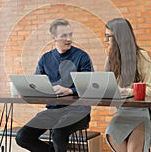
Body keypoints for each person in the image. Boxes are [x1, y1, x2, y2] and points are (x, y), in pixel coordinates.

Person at [15, 19, 94, 152]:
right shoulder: (45, 59)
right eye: (64, 36)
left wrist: (70, 90)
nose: (69, 39)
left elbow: (89, 87)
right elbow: (36, 83)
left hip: (79, 112)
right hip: (53, 111)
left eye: (70, 34)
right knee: (22, 137)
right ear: (54, 38)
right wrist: (27, 91)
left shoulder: (82, 57)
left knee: (58, 133)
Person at [104, 18, 151, 152]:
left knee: (133, 149)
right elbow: (108, 87)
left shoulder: (141, 56)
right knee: (111, 135)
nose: (106, 41)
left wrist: (128, 91)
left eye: (108, 36)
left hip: (146, 111)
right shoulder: (110, 60)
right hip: (125, 112)